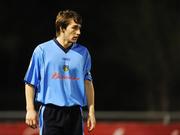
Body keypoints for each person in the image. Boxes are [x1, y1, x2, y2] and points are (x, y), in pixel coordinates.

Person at [24, 9, 96, 135]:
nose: (78, 32)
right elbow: (30, 82)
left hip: (75, 114)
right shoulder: (42, 51)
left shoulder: (83, 53)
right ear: (62, 28)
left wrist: (91, 112)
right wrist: (30, 109)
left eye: (79, 28)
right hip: (50, 113)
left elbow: (87, 83)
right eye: (74, 28)